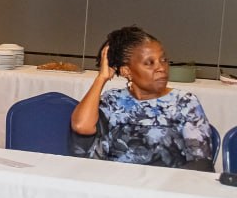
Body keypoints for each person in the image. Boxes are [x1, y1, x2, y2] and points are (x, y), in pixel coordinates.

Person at [71, 26, 213, 170]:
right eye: (149, 63)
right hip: (116, 179)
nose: (161, 68)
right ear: (126, 71)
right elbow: (81, 126)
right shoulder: (113, 101)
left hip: (169, 182)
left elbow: (202, 164)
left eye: (163, 60)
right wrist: (101, 78)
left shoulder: (184, 103)